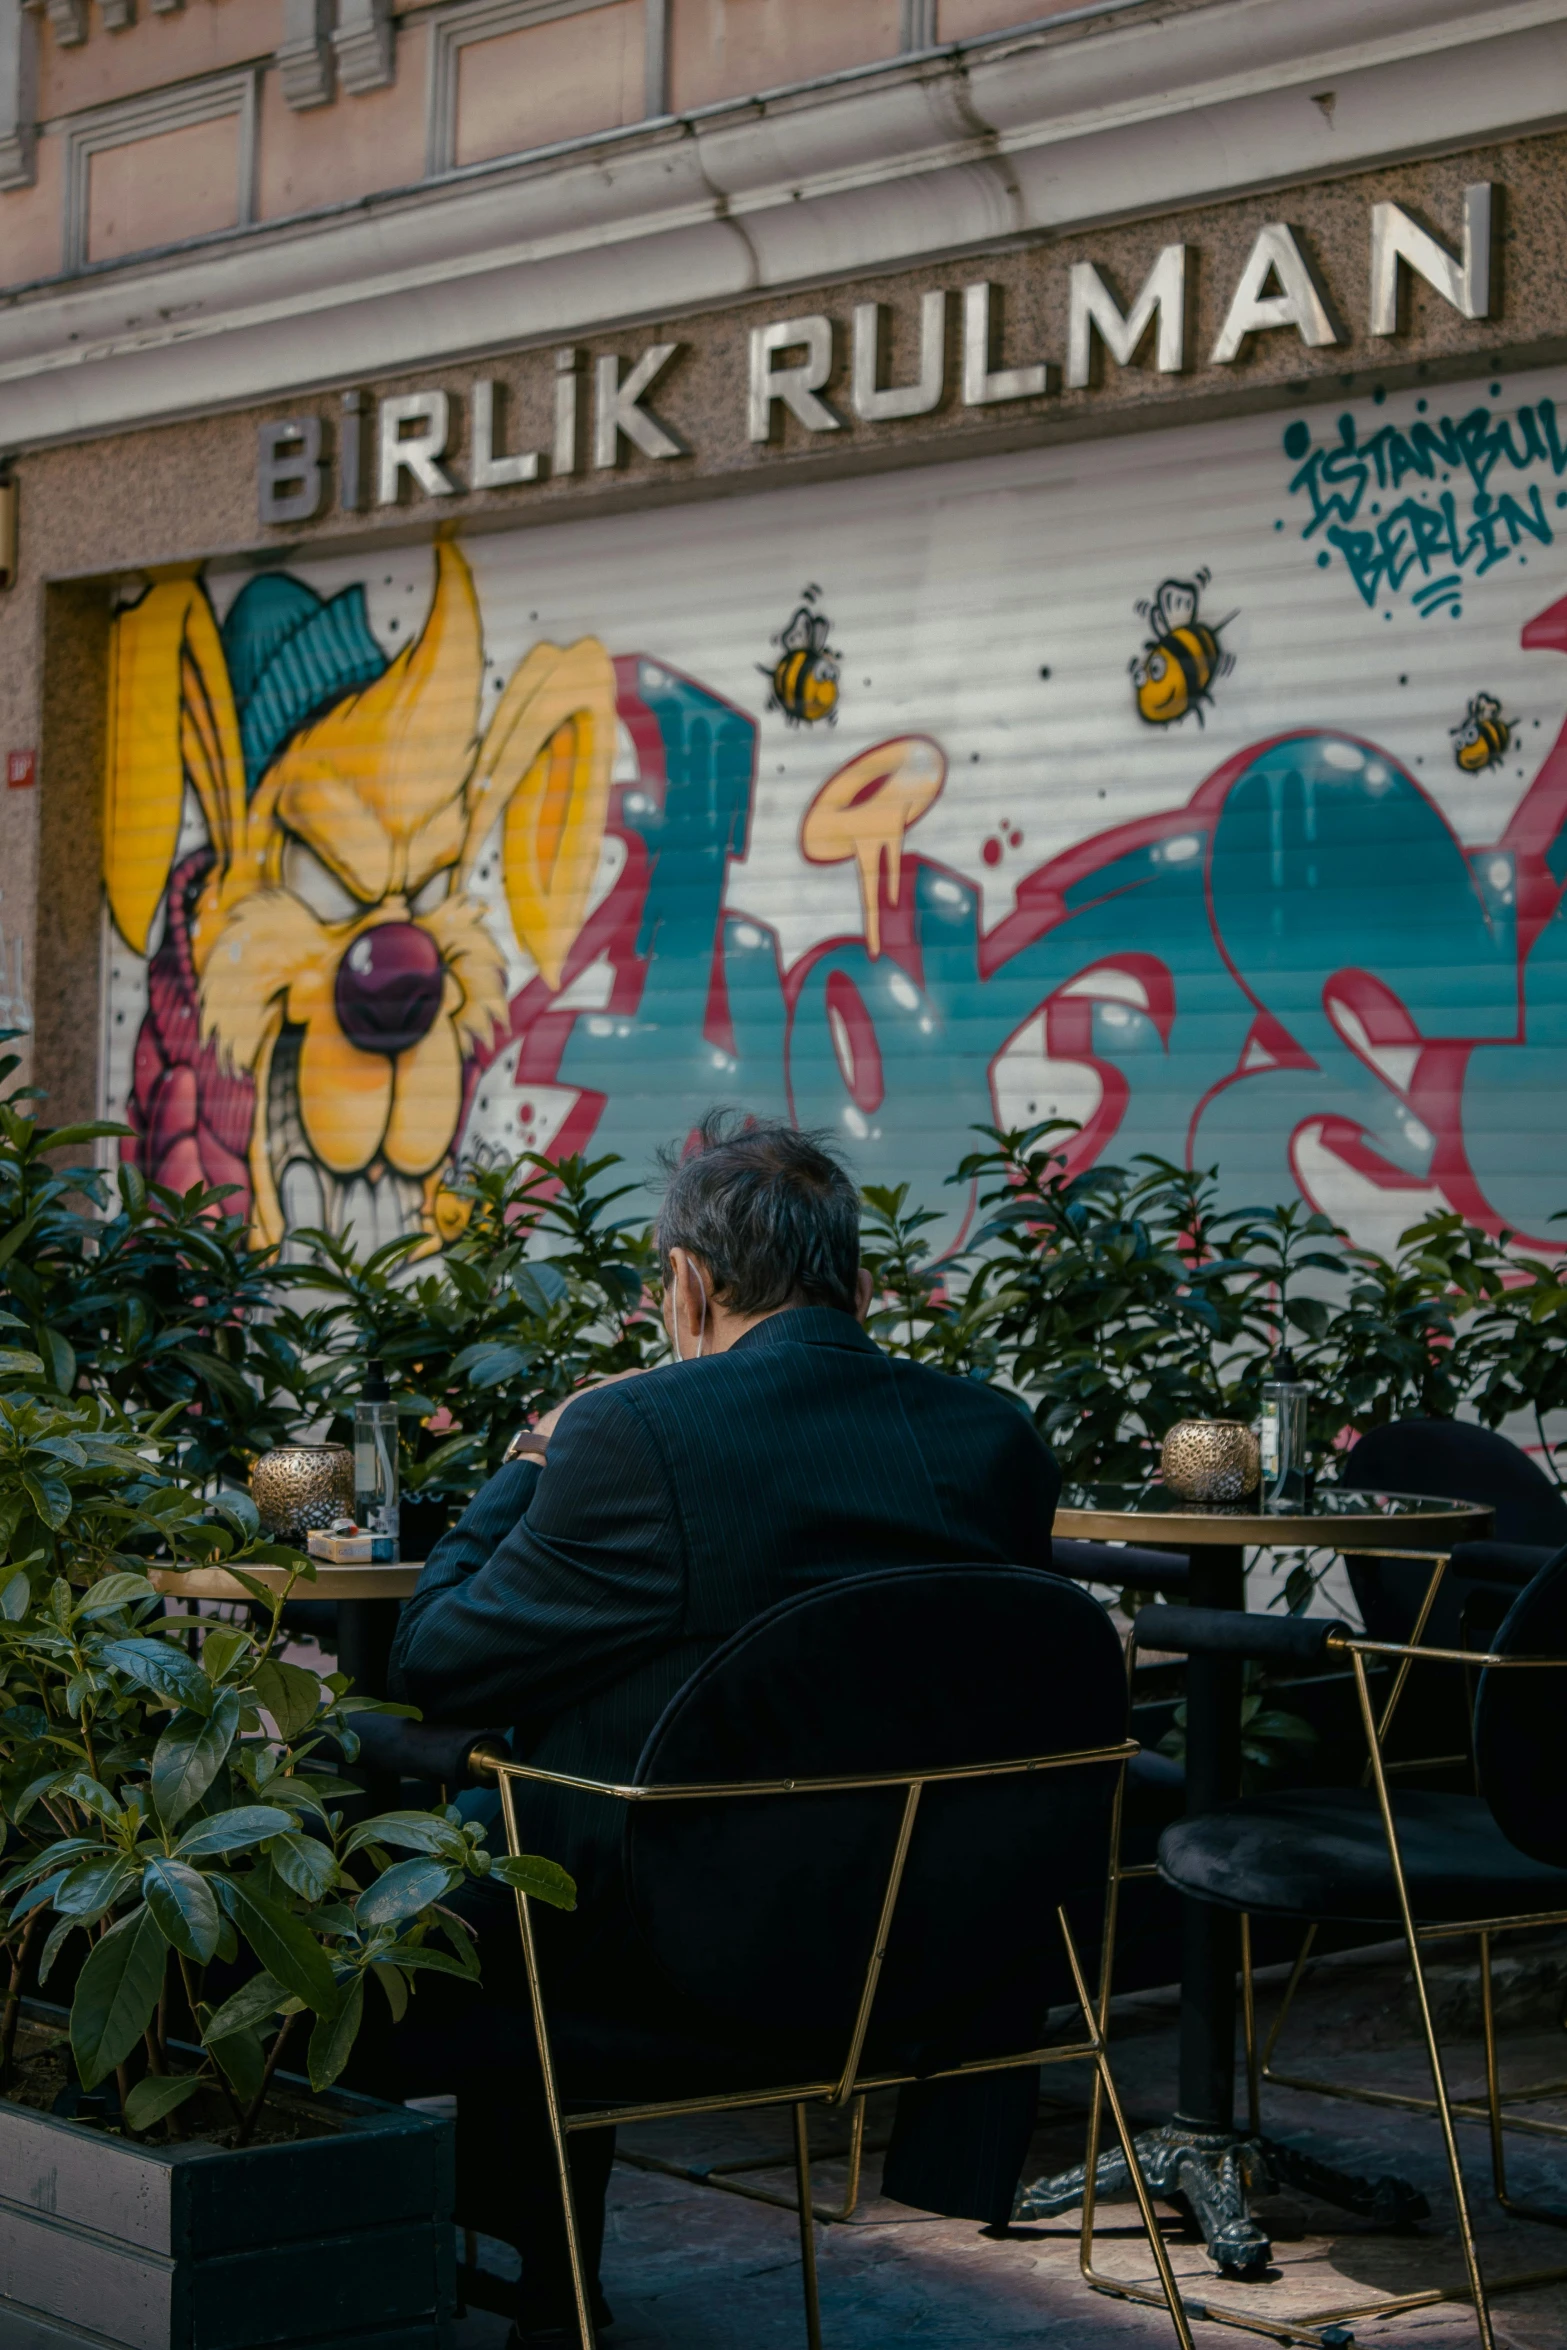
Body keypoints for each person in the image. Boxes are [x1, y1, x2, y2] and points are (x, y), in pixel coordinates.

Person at [382, 1114, 1062, 2345]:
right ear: (858, 1286)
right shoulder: (995, 1438)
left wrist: (534, 1453)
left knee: (452, 1869)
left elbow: (436, 1659)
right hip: (930, 1956)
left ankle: (484, 2277)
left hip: (682, 1960)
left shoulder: (639, 1433)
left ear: (686, 1286)